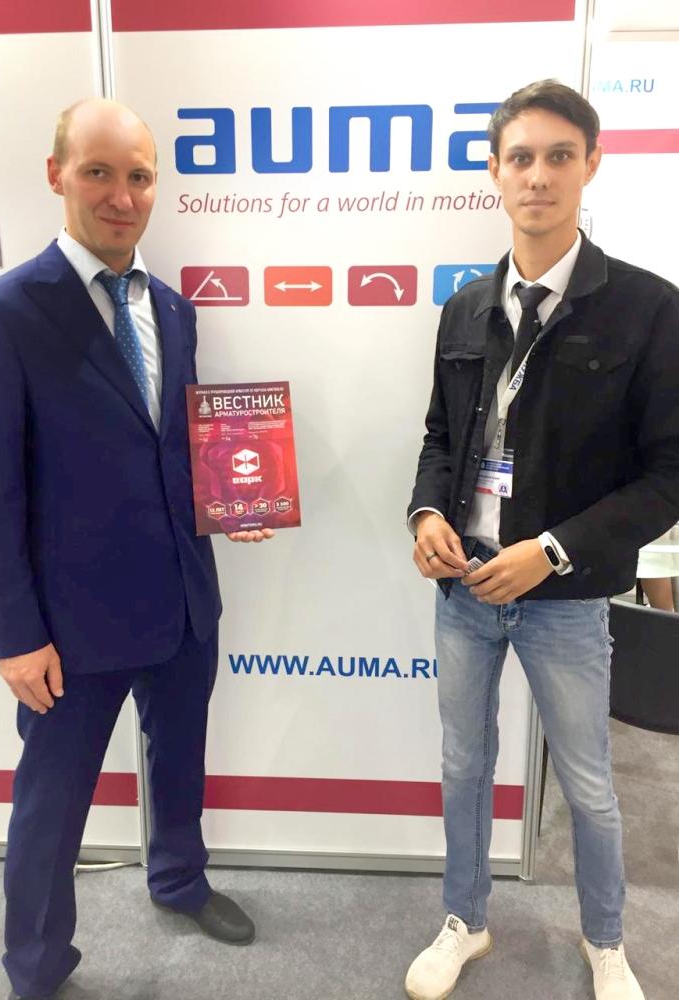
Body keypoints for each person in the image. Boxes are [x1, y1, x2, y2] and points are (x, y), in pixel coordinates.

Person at [0, 98, 272, 1000]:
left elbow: (172, 446)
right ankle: (36, 965)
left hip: (182, 598)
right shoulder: (3, 311)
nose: (121, 196)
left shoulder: (173, 309)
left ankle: (179, 880)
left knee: (179, 759)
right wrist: (15, 634)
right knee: (51, 804)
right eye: (98, 172)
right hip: (67, 626)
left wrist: (228, 503)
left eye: (138, 176)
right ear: (56, 174)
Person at [404, 80, 679, 1000]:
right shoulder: (466, 307)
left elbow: (669, 476)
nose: (538, 176)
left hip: (565, 596)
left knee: (590, 784)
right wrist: (427, 516)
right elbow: (441, 438)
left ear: (591, 165)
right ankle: (466, 920)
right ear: (494, 170)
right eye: (520, 157)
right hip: (464, 589)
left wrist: (553, 550)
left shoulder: (648, 308)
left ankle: (607, 941)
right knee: (463, 765)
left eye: (560, 156)